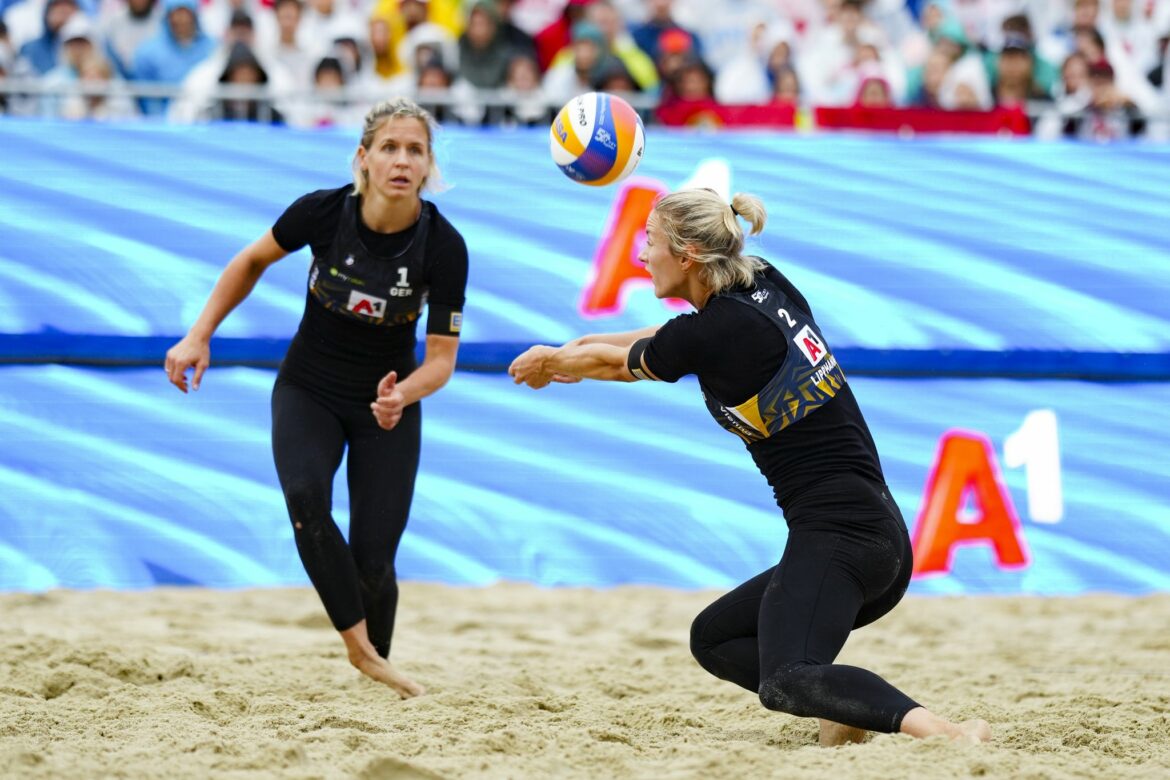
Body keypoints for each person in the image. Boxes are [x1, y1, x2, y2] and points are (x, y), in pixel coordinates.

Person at [508, 188, 992, 746]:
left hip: (846, 537)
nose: (641, 254)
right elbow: (649, 342)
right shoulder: (760, 282)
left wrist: (555, 361)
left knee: (786, 679)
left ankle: (945, 731)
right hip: (872, 534)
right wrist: (571, 348)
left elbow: (622, 362)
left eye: (650, 240)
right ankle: (842, 710)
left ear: (686, 254)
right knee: (713, 637)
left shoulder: (712, 333)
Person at [165, 97, 468, 699]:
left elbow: (441, 362)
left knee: (375, 562)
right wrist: (199, 334)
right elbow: (251, 260)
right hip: (310, 387)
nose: (402, 160)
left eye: (415, 150)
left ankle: (375, 668)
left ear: (429, 166)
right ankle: (364, 655)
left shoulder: (443, 247)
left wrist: (400, 395)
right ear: (363, 158)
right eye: (389, 147)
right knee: (305, 500)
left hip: (387, 404)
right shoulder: (323, 214)